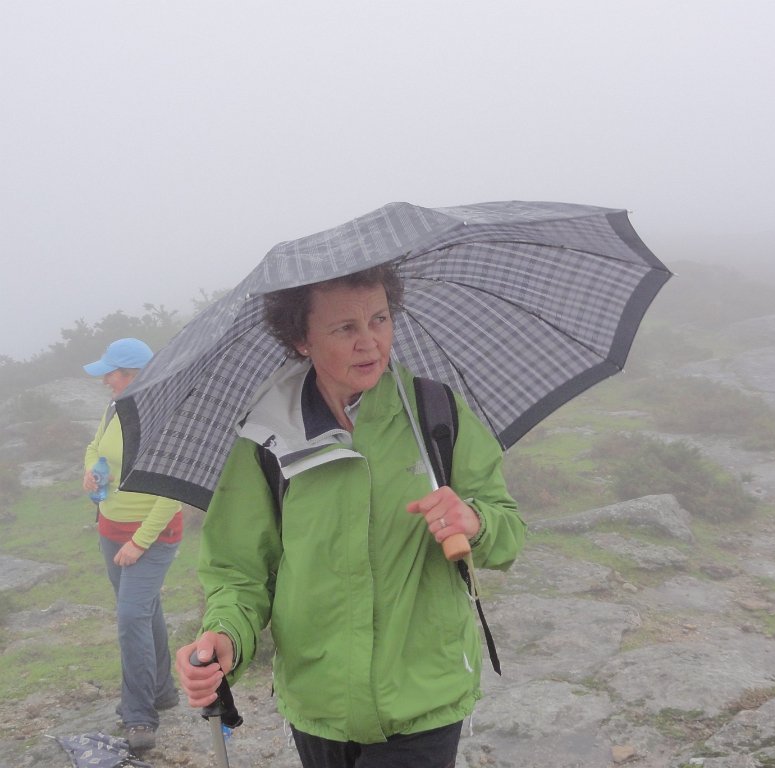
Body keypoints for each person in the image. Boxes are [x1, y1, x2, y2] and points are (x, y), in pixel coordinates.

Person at [174, 264, 526, 768]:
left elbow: (509, 530)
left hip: (423, 697)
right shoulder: (268, 437)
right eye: (345, 328)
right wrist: (226, 634)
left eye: (380, 319)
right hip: (318, 703)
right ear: (302, 339)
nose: (370, 342)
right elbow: (238, 572)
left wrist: (475, 521)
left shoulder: (434, 412)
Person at [83, 337, 183, 754]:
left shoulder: (167, 416)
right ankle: (162, 690)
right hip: (110, 528)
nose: (106, 380)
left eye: (113, 373)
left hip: (153, 535)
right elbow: (95, 447)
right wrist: (91, 470)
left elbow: (173, 490)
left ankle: (140, 715)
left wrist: (140, 543)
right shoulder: (115, 406)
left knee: (130, 616)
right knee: (143, 608)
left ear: (135, 375)